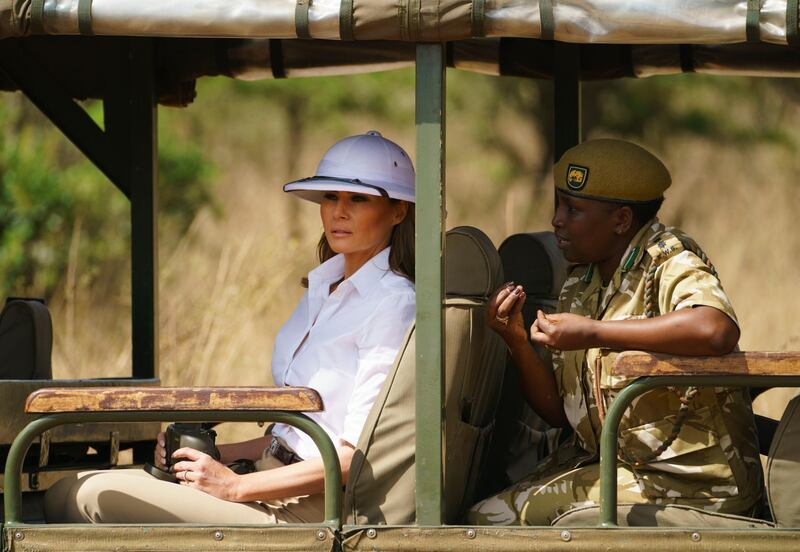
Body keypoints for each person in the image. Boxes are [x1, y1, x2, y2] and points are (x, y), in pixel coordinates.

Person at [44, 131, 416, 524]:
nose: (339, 212)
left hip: (311, 508)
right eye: (330, 197)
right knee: (62, 492)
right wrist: (214, 458)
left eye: (358, 199)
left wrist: (233, 487)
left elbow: (353, 457)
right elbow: (291, 438)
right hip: (269, 475)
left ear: (398, 211)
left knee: (89, 496)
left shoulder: (393, 303)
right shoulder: (323, 288)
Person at [468, 139, 763, 526]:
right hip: (620, 469)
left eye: (573, 210)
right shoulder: (582, 283)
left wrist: (595, 332)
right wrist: (517, 341)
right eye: (558, 205)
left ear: (621, 221)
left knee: (493, 522)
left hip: (695, 485)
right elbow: (560, 414)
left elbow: (715, 328)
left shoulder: (668, 260)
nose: (557, 220)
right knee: (481, 515)